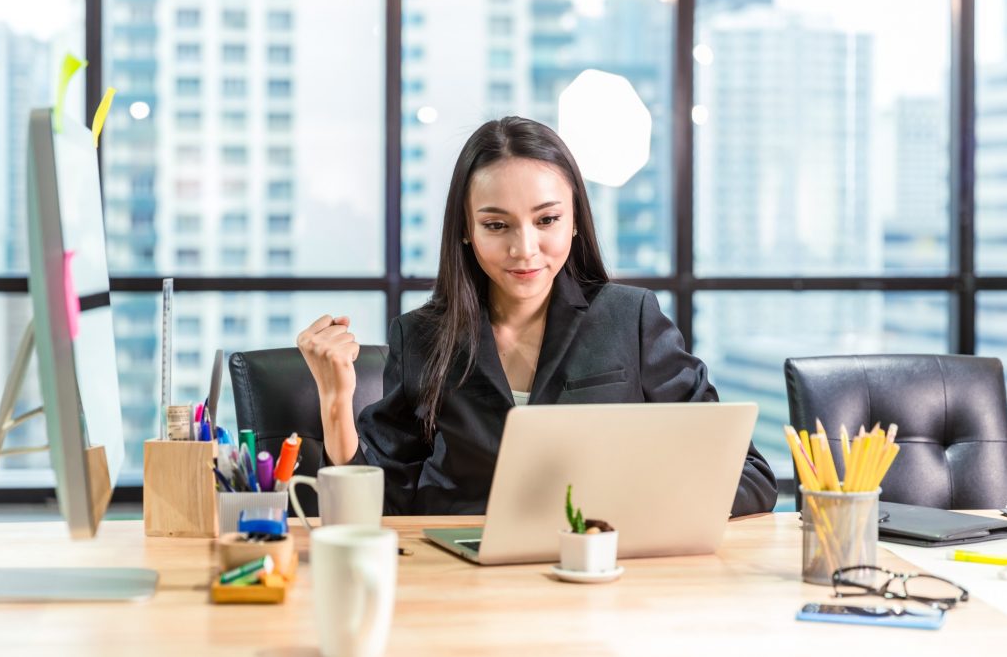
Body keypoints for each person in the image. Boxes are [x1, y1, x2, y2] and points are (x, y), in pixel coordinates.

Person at [297, 116, 778, 517]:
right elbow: (383, 507)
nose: (524, 249)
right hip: (464, 581)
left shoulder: (629, 318)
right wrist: (337, 401)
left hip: (601, 573)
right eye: (496, 225)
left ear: (574, 220)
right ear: (465, 230)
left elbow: (748, 476)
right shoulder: (422, 336)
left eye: (547, 220)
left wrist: (631, 511)